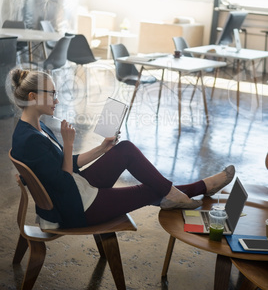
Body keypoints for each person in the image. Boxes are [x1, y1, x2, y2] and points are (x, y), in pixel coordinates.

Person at [10, 69, 235, 229]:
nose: (56, 100)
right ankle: (199, 187)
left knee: (125, 148)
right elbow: (64, 181)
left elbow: (62, 166)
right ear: (33, 97)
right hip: (75, 207)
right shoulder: (29, 139)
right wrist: (68, 145)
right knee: (149, 191)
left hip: (77, 191)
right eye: (51, 94)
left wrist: (101, 149)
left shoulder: (35, 128)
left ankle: (180, 192)